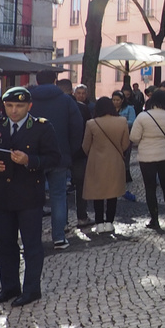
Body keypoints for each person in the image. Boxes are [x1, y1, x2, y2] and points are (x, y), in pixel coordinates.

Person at [0, 86, 61, 308]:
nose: (14, 110)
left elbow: (54, 158)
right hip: (2, 197)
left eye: (19, 106)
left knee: (31, 246)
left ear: (29, 106)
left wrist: (30, 160)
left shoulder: (41, 128)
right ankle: (9, 287)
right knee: (4, 246)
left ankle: (31, 290)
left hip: (28, 196)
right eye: (9, 106)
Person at [28, 69, 85, 248]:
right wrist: (70, 150)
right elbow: (77, 127)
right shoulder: (66, 100)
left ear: (37, 82)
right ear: (55, 81)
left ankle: (31, 239)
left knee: (32, 198)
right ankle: (59, 237)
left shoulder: (27, 101)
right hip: (60, 156)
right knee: (59, 196)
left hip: (33, 157)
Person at [130, 91, 165, 231]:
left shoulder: (143, 116)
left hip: (147, 157)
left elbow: (134, 137)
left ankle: (154, 219)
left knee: (150, 188)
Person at [81, 97, 131, 231]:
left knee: (98, 193)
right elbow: (125, 143)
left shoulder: (92, 123)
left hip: (96, 162)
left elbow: (85, 146)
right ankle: (110, 222)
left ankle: (99, 223)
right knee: (112, 192)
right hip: (115, 161)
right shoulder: (122, 121)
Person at [70, 83, 94, 225]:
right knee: (80, 186)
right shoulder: (83, 108)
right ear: (74, 93)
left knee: (78, 185)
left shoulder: (87, 107)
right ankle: (81, 216)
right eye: (78, 93)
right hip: (79, 152)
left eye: (83, 93)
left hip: (75, 152)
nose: (81, 95)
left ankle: (75, 217)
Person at [113, 90, 138, 198]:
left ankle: (125, 175)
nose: (115, 102)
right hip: (113, 136)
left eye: (118, 100)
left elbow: (133, 121)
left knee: (125, 156)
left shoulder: (129, 108)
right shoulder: (111, 109)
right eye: (114, 100)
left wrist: (119, 121)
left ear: (122, 100)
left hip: (125, 136)